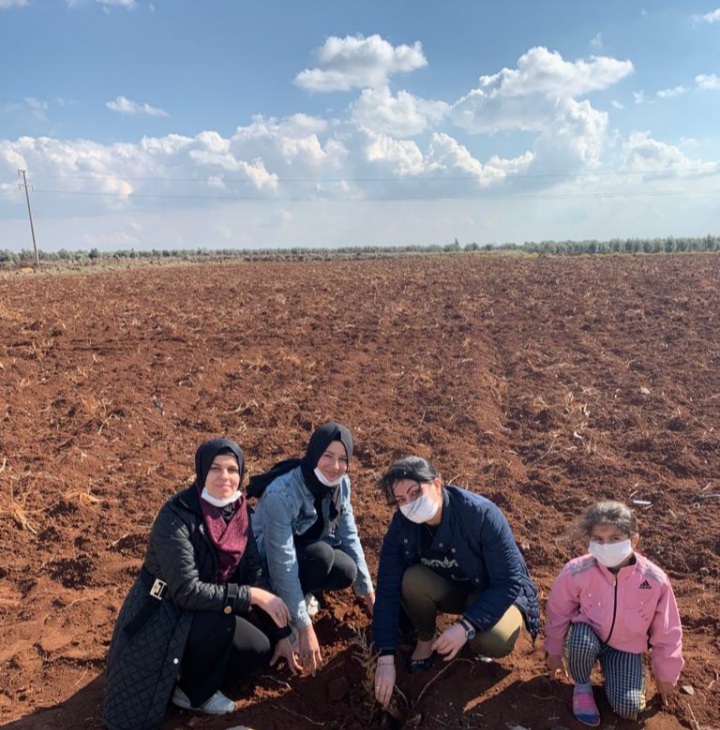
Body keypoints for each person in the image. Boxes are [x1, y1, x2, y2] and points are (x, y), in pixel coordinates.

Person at [103, 438, 298, 730]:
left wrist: (281, 632)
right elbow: (186, 591)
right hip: (164, 612)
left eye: (233, 469)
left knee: (259, 648)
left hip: (209, 605)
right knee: (220, 624)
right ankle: (194, 693)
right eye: (216, 468)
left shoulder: (238, 509)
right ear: (201, 470)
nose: (225, 477)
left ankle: (187, 672)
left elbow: (254, 569)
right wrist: (251, 596)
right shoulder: (177, 516)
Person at [372, 456, 540, 707]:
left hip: (492, 590)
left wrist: (466, 626)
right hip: (452, 589)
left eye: (415, 492)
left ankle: (474, 638)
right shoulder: (401, 527)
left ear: (437, 485)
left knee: (491, 640)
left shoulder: (480, 515)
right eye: (401, 500)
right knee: (412, 580)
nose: (409, 504)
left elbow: (508, 582)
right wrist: (385, 657)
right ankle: (425, 639)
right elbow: (386, 588)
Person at [249, 422, 375, 675]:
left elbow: (349, 536)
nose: (335, 466)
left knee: (345, 569)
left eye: (342, 459)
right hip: (264, 564)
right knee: (321, 556)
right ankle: (282, 614)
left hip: (302, 551)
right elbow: (281, 563)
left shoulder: (341, 484)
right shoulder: (281, 494)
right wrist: (304, 626)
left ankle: (299, 596)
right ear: (314, 453)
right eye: (327, 456)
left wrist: (370, 596)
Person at [544, 501, 683, 726]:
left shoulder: (654, 580)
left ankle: (620, 677)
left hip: (625, 647)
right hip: (587, 638)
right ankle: (582, 685)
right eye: (598, 539)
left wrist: (665, 675)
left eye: (614, 538)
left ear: (633, 541)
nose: (605, 545)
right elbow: (558, 613)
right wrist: (554, 650)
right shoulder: (576, 571)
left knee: (628, 707)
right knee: (579, 642)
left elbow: (667, 631)